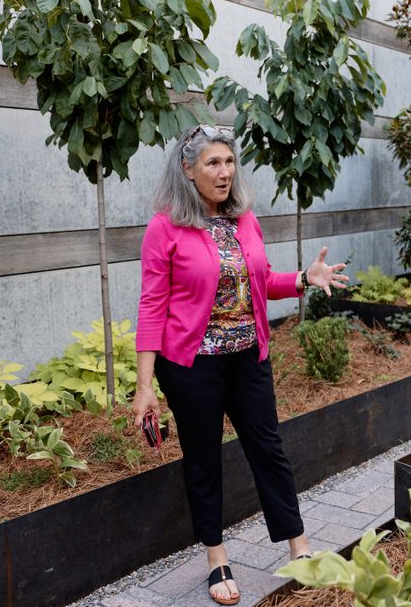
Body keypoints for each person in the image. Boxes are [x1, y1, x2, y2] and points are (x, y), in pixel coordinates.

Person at [131, 124, 348, 605]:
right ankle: (217, 557)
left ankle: (299, 548)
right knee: (204, 459)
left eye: (229, 162)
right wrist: (145, 386)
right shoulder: (165, 226)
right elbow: (152, 306)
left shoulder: (243, 219)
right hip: (192, 367)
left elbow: (261, 280)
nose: (224, 171)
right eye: (212, 163)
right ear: (187, 170)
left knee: (268, 449)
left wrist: (304, 279)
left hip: (248, 356)